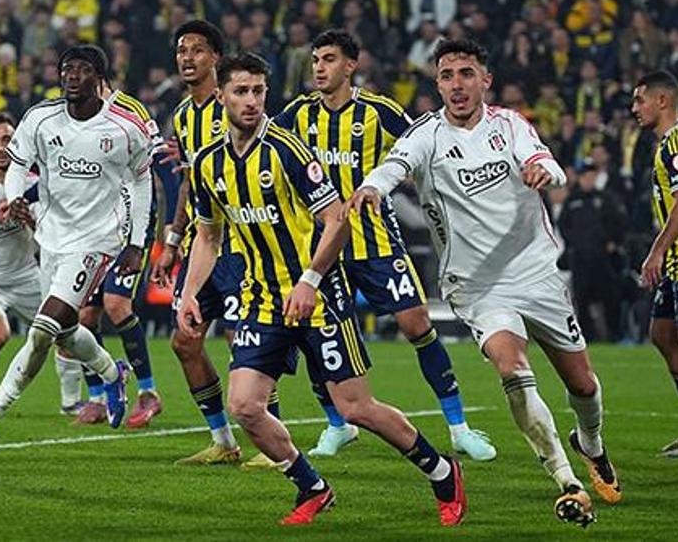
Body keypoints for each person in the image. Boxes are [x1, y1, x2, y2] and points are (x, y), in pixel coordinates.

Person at [179, 52, 466, 527]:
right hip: (262, 299)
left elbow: (337, 219)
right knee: (244, 406)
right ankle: (312, 487)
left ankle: (441, 471)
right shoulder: (208, 163)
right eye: (241, 92)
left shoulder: (288, 151)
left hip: (318, 298)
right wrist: (190, 292)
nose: (251, 101)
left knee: (356, 408)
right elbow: (208, 236)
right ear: (221, 96)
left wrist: (310, 279)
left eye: (258, 91)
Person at [348, 38, 620, 527]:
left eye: (466, 74)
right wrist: (372, 187)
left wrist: (544, 170)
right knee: (512, 370)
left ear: (485, 80)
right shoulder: (426, 135)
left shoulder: (510, 125)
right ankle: (567, 481)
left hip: (535, 273)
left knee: (583, 384)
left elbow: (549, 165)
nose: (457, 84)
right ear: (438, 84)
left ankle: (591, 444)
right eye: (447, 75)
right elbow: (394, 166)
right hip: (478, 286)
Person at [276, 29, 494, 461]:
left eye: (329, 59)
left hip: (376, 243)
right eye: (315, 60)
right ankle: (338, 425)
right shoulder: (297, 114)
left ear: (350, 66)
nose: (319, 67)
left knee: (417, 325)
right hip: (321, 249)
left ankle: (459, 428)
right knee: (317, 338)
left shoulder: (380, 112)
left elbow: (425, 149)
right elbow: (263, 145)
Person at [0, 44, 151, 449]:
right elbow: (18, 165)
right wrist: (14, 198)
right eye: (67, 69)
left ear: (99, 78)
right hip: (50, 239)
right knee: (65, 333)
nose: (72, 76)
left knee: (43, 330)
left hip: (97, 242)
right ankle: (113, 373)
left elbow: (142, 179)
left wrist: (137, 242)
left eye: (82, 69)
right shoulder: (40, 119)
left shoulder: (123, 126)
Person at [150, 20, 260, 466]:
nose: (187, 57)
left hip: (241, 242)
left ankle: (270, 443)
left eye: (197, 49)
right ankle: (223, 441)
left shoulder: (234, 104)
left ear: (216, 57)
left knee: (242, 341)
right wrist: (174, 239)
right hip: (202, 242)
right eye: (182, 50)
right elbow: (192, 182)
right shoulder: (182, 115)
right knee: (185, 340)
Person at [0, 113, 84, 417]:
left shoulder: (34, 184)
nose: (0, 148)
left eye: (7, 140)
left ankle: (71, 402)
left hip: (26, 276)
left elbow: (55, 235)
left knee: (65, 331)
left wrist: (30, 219)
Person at [72, 79, 168, 428]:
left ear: (99, 79)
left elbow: (159, 164)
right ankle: (98, 396)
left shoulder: (131, 110)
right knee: (83, 316)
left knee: (116, 304)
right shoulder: (75, 114)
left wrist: (163, 228)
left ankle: (148, 392)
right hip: (92, 228)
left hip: (130, 227)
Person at [630, 69, 678, 458]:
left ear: (662, 100)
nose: (635, 108)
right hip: (674, 263)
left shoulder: (677, 141)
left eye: (640, 99)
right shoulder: (664, 144)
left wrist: (657, 250)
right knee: (662, 334)